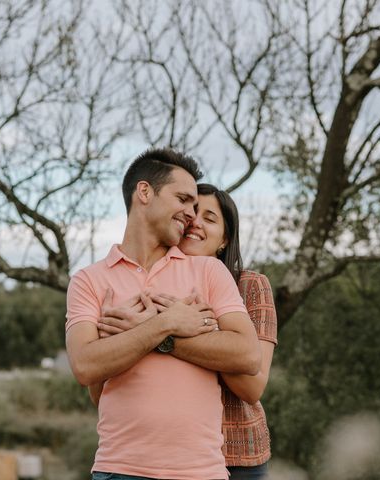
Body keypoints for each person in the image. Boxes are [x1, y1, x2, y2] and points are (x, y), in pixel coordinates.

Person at [65, 148, 261, 480]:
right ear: (144, 192)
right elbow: (85, 365)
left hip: (201, 473)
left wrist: (143, 333)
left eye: (195, 207)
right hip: (119, 470)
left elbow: (248, 355)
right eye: (183, 199)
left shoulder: (208, 271)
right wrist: (168, 321)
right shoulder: (89, 280)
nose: (191, 215)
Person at [96, 184, 278, 479]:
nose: (196, 222)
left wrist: (159, 335)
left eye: (210, 217)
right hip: (167, 457)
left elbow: (251, 386)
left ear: (225, 239)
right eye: (192, 214)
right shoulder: (150, 281)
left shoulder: (251, 286)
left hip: (239, 454)